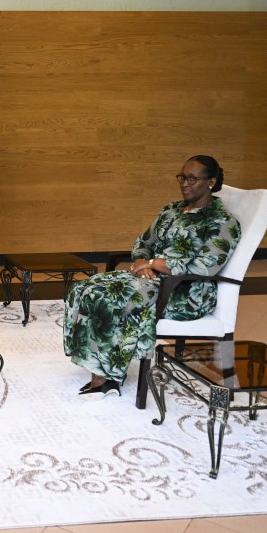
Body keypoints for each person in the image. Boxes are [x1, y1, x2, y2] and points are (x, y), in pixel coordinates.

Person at [64, 155, 241, 400]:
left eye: (192, 178)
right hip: (150, 280)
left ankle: (106, 377)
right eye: (182, 177)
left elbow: (205, 267)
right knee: (83, 288)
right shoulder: (171, 209)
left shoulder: (222, 222)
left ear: (210, 182)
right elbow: (144, 242)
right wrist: (141, 262)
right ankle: (97, 363)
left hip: (185, 292)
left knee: (108, 299)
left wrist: (155, 264)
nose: (185, 183)